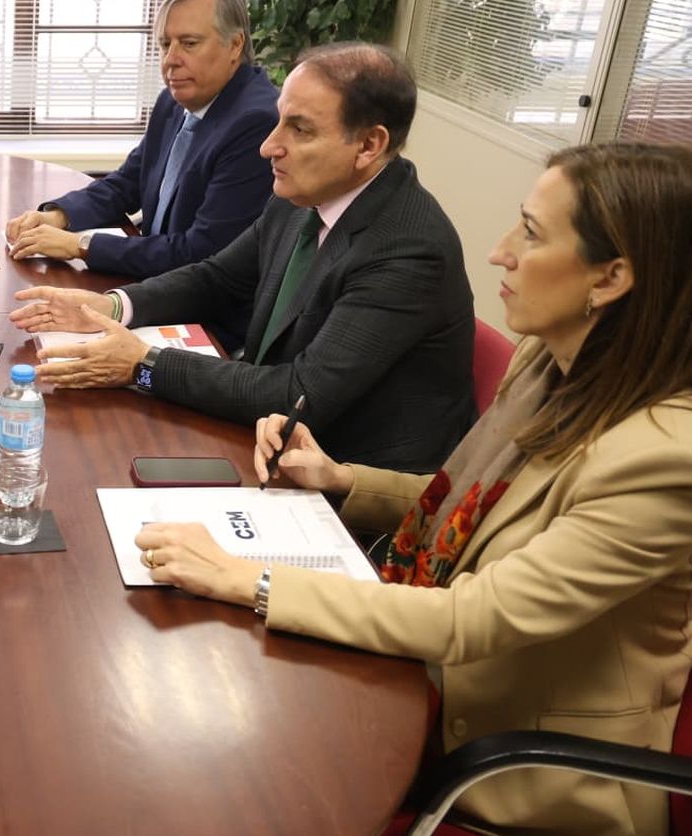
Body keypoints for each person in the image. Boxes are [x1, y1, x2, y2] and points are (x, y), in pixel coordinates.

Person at [136, 142, 692, 835]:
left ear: (610, 278)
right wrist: (341, 479)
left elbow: (477, 618)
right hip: (422, 680)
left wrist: (249, 578)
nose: (499, 252)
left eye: (530, 232)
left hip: (506, 768)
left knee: (227, 783)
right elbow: (486, 506)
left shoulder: (663, 461)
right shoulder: (550, 366)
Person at [10, 42, 475, 473]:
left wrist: (143, 364)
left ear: (369, 145)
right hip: (267, 437)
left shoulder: (408, 250)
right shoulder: (305, 194)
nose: (268, 146)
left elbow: (299, 394)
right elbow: (218, 277)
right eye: (279, 120)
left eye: (300, 129)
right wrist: (111, 306)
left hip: (348, 485)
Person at [4, 0, 279, 349]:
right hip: (153, 289)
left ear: (235, 45)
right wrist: (58, 218)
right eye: (166, 44)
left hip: (207, 324)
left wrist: (79, 245)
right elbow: (127, 183)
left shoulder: (256, 123)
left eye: (189, 44)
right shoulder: (175, 100)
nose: (171, 60)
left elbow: (198, 254)